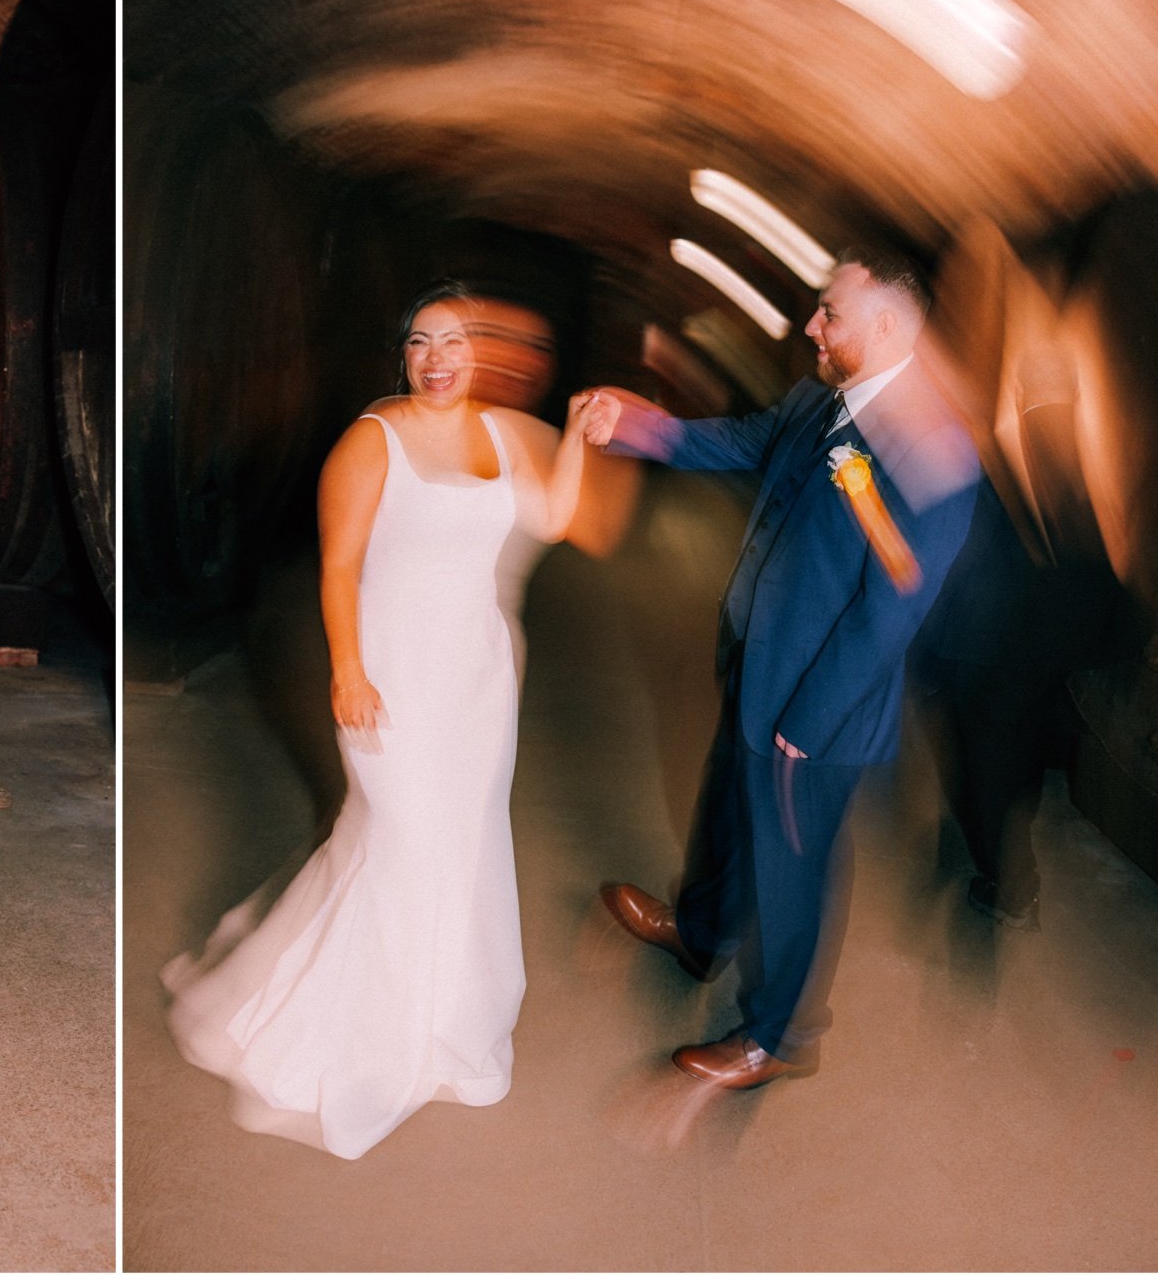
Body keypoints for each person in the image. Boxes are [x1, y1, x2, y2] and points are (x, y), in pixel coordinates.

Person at [162, 281, 623, 1160]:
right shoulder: (370, 442)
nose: (438, 359)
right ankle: (361, 1031)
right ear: (403, 355)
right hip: (394, 676)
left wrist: (581, 437)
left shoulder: (503, 434)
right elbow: (340, 569)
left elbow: (558, 520)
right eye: (420, 342)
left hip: (478, 679)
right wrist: (347, 671)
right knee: (400, 839)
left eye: (453, 343)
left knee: (466, 843)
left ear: (476, 354)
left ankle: (452, 1023)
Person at [579, 249, 980, 1088]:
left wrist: (808, 720)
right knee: (724, 808)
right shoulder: (818, 397)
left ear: (885, 326)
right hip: (755, 663)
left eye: (829, 313)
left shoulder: (932, 449)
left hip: (816, 711)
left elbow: (889, 613)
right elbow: (741, 438)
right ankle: (699, 933)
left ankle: (774, 1035)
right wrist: (637, 424)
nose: (811, 325)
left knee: (791, 869)